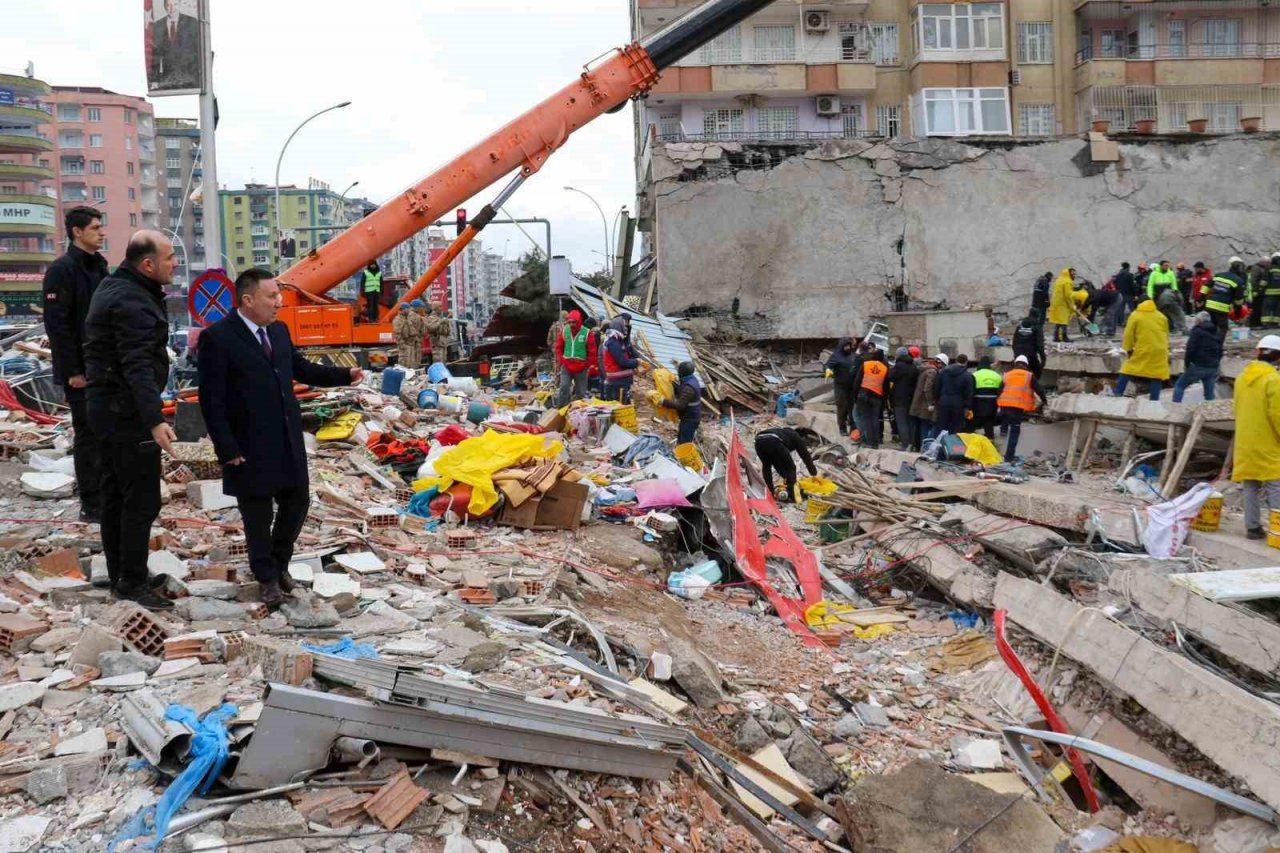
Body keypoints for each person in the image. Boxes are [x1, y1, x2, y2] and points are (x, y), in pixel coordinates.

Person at [198, 270, 362, 608]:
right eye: (272, 296)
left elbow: (300, 368)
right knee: (257, 515)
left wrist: (344, 375)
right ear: (248, 300)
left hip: (286, 437)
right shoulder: (219, 338)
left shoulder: (279, 330)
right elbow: (211, 401)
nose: (279, 302)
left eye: (278, 295)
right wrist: (226, 447)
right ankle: (266, 579)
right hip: (247, 444)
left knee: (297, 502)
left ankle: (280, 564)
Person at [83, 232, 178, 610]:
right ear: (147, 264)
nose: (175, 264)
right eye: (170, 258)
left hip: (107, 407)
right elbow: (136, 364)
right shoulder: (131, 300)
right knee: (140, 499)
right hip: (125, 414)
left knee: (115, 496)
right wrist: (154, 420)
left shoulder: (118, 287)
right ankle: (131, 581)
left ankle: (123, 570)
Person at [42, 206, 109, 523]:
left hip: (106, 367)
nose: (102, 232)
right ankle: (91, 503)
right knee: (88, 435)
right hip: (81, 371)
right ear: (77, 232)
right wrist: (73, 372)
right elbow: (58, 326)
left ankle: (108, 497)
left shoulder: (100, 268)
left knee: (108, 433)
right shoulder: (62, 270)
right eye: (95, 228)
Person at [1234, 335, 1280, 539]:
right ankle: (1277, 530)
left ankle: (1252, 528)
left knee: (1250, 485)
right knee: (1275, 485)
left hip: (1245, 441)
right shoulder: (1274, 380)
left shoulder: (1242, 378)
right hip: (1268, 441)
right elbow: (1277, 414)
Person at [1112, 299, 1170, 401]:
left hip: (1143, 348)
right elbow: (1166, 334)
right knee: (1156, 375)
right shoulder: (1161, 316)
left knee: (1127, 370)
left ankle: (1117, 394)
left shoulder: (1135, 315)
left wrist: (1128, 349)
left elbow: (1128, 334)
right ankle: (1154, 401)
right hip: (1159, 350)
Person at [998, 355, 1047, 464]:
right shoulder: (1029, 376)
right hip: (1017, 407)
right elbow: (1039, 390)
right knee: (1015, 431)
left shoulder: (1007, 375)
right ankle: (1008, 457)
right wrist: (1045, 401)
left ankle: (1003, 429)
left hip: (1004, 405)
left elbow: (1000, 390)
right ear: (1026, 365)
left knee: (1005, 417)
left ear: (1015, 363)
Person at [754, 426, 817, 504]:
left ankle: (771, 492)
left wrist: (786, 477)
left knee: (767, 466)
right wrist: (813, 473)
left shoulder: (784, 433)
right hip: (773, 441)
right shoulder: (797, 437)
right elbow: (806, 456)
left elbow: (777, 463)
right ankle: (792, 495)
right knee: (792, 468)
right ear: (802, 437)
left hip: (759, 441)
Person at [148, 0, 200, 91]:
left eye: (175, 4)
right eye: (169, 5)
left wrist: (198, 77)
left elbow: (198, 52)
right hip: (168, 79)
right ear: (164, 6)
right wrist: (154, 80)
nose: (172, 8)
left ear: (180, 4)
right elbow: (155, 55)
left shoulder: (192, 22)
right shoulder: (158, 25)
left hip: (190, 79)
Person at [1172, 312, 1223, 403]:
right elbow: (1220, 350)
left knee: (1179, 386)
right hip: (1212, 367)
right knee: (1209, 394)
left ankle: (1176, 409)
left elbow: (1190, 348)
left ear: (1198, 320)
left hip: (1198, 365)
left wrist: (1187, 364)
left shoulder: (1197, 331)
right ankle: (1210, 413)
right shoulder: (1216, 331)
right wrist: (1216, 363)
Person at [554, 309, 596, 406]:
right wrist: (561, 360)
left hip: (581, 366)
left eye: (574, 322)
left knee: (581, 392)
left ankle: (579, 412)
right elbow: (558, 347)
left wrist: (589, 365)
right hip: (567, 365)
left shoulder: (587, 333)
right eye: (570, 322)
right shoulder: (565, 330)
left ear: (579, 321)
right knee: (564, 387)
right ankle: (561, 410)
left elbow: (592, 351)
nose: (572, 324)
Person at [851, 347, 889, 449]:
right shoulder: (885, 368)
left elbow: (857, 381)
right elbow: (886, 387)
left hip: (863, 394)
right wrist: (884, 401)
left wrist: (855, 396)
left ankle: (868, 442)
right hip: (877, 396)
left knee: (866, 419)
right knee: (875, 419)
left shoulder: (866, 365)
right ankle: (875, 443)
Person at [886, 347, 920, 451]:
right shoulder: (914, 367)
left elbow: (889, 377)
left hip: (899, 399)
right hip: (911, 398)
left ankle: (905, 445)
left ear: (898, 355)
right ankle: (913, 444)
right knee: (910, 422)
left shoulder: (899, 366)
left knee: (901, 422)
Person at [661, 361, 702, 445]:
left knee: (684, 443)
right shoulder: (691, 379)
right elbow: (682, 391)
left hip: (690, 418)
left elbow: (680, 405)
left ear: (681, 372)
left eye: (678, 370)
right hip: (691, 415)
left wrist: (662, 401)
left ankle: (683, 457)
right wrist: (674, 384)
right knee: (683, 438)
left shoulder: (688, 387)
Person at [824, 337, 858, 436]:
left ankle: (853, 427)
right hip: (840, 386)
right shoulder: (836, 356)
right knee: (842, 407)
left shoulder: (853, 355)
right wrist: (827, 369)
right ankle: (842, 428)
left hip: (852, 386)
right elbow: (827, 365)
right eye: (845, 346)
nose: (847, 348)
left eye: (849, 345)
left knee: (852, 408)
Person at [1206, 257, 1247, 337]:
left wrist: (1201, 297)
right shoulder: (1238, 281)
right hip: (1221, 306)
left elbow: (1206, 285)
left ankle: (1210, 344)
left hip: (1210, 304)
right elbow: (1238, 300)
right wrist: (1238, 312)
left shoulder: (1219, 275)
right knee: (1223, 327)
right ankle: (1218, 346)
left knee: (1212, 325)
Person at [935, 353, 973, 436]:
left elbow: (937, 387)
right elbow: (969, 393)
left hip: (944, 401)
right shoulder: (967, 375)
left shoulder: (944, 372)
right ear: (966, 362)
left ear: (956, 361)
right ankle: (953, 446)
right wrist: (967, 407)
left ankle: (939, 445)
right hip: (958, 404)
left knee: (942, 426)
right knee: (956, 427)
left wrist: (937, 400)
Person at [602, 322, 639, 404]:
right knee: (617, 408)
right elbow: (622, 362)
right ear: (619, 328)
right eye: (624, 329)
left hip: (621, 381)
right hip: (617, 382)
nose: (626, 331)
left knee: (621, 407)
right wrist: (636, 362)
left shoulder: (618, 341)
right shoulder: (613, 343)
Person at [911, 353, 944, 443]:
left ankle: (919, 444)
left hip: (919, 402)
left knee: (921, 424)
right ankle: (925, 446)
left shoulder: (925, 369)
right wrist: (931, 402)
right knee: (926, 424)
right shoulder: (932, 372)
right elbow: (927, 388)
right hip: (925, 404)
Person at [969, 356, 1003, 440]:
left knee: (974, 420)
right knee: (989, 421)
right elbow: (1000, 391)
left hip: (978, 402)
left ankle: (970, 438)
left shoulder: (975, 374)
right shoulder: (997, 376)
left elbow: (970, 390)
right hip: (992, 402)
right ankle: (990, 438)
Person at [1048, 268, 1076, 342]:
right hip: (1062, 304)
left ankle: (1056, 337)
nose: (1074, 275)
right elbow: (1068, 295)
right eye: (1073, 274)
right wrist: (1072, 305)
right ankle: (1064, 337)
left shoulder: (1058, 280)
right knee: (1064, 321)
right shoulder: (1067, 282)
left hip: (1055, 303)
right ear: (1068, 273)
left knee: (1058, 321)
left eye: (1075, 274)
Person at [392, 302, 423, 368]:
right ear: (403, 309)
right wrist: (402, 345)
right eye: (407, 308)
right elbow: (397, 334)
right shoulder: (398, 319)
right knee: (404, 364)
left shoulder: (407, 319)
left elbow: (412, 331)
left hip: (410, 344)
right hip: (404, 345)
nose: (409, 310)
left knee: (410, 364)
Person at [1249, 256, 1272, 330]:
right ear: (1264, 262)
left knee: (1260, 308)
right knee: (1256, 308)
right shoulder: (1256, 268)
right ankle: (1253, 324)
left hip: (1261, 291)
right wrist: (1256, 291)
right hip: (1258, 292)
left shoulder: (1262, 268)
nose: (1269, 264)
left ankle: (1258, 323)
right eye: (1268, 263)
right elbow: (1254, 280)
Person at [1264, 253, 1280, 328]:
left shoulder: (1269, 268)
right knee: (1277, 308)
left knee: (1267, 307)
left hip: (1269, 293)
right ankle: (1275, 323)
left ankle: (1266, 323)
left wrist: (1261, 289)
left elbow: (1264, 280)